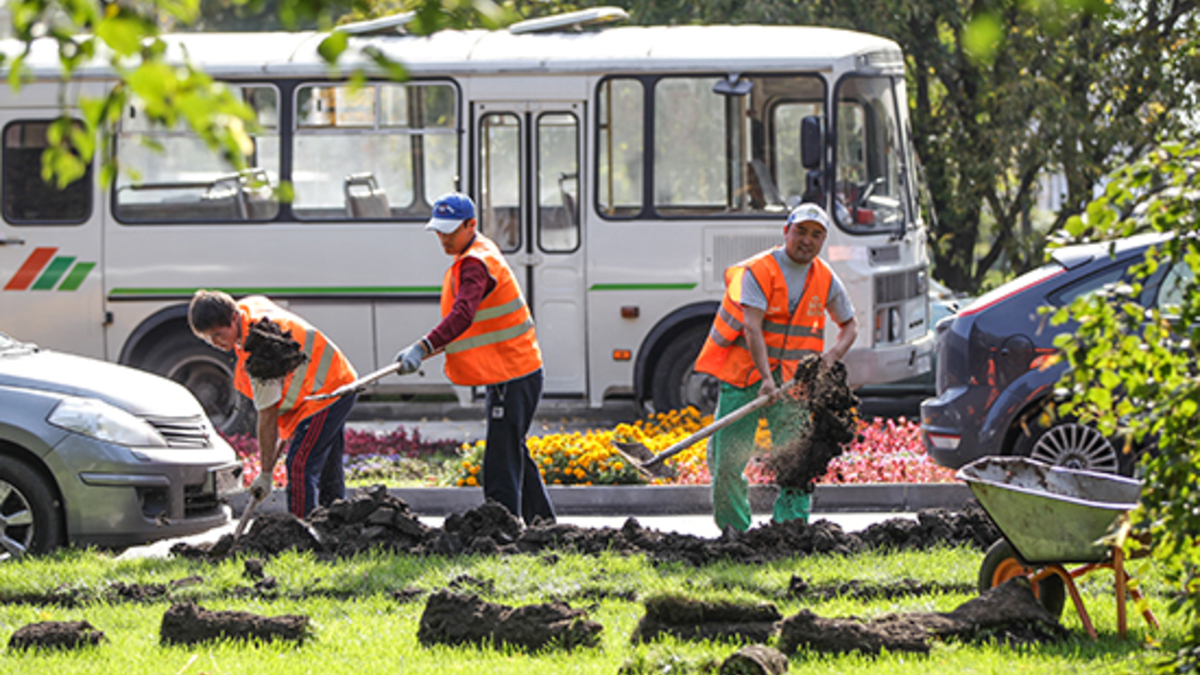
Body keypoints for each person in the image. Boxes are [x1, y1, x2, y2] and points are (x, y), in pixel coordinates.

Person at [694, 203, 859, 531]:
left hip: (794, 385)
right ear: (786, 232)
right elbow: (752, 328)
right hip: (746, 378)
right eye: (800, 231)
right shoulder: (760, 271)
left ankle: (791, 530)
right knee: (728, 461)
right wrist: (766, 380)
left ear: (823, 240)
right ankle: (734, 532)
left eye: (816, 235)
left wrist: (831, 357)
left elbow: (850, 326)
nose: (807, 241)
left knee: (799, 462)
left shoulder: (825, 278)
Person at [394, 192, 556, 526]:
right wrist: (430, 348)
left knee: (500, 458)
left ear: (471, 225)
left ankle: (500, 530)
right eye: (438, 231)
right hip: (514, 371)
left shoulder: (475, 263)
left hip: (513, 374)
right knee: (512, 449)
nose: (443, 238)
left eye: (450, 231)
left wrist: (423, 347)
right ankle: (543, 524)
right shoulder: (477, 250)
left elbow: (463, 314)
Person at [188, 290, 358, 518]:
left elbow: (267, 415)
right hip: (334, 383)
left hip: (326, 394)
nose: (216, 343)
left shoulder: (261, 347)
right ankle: (338, 526)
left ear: (232, 318)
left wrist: (266, 474)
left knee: (299, 465)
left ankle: (301, 537)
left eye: (219, 334)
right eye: (209, 339)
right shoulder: (247, 310)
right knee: (327, 467)